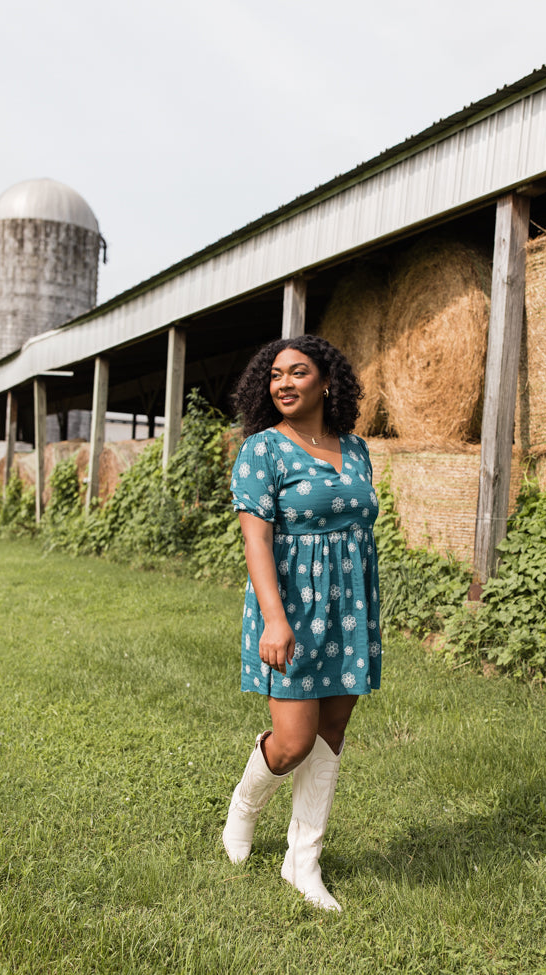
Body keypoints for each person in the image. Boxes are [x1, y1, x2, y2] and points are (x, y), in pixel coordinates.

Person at [222, 334, 381, 912]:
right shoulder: (262, 450)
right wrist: (273, 619)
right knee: (292, 742)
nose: (284, 382)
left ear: (326, 381)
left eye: (298, 372)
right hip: (290, 606)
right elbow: (256, 539)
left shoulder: (357, 448)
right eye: (275, 375)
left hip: (349, 606)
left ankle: (302, 861)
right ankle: (243, 810)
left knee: (331, 735)